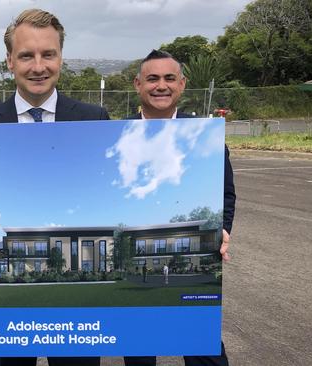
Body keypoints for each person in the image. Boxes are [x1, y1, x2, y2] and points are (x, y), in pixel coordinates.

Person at [0, 8, 114, 366]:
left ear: (61, 57)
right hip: (11, 298)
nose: (38, 66)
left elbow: (105, 193)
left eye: (48, 54)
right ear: (9, 61)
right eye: (26, 55)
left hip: (75, 304)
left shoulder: (95, 120)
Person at [128, 49, 236, 366]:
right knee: (139, 351)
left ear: (182, 84)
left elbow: (226, 193)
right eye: (152, 78)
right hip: (142, 245)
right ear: (137, 84)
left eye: (169, 78)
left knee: (204, 348)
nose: (161, 85)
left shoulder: (205, 136)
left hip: (192, 248)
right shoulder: (117, 135)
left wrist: (223, 228)